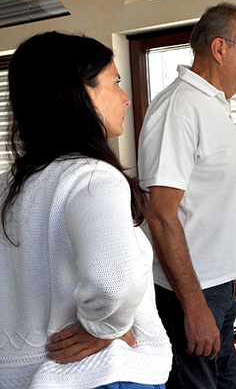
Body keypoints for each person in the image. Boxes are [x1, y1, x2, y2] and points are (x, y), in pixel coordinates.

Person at [0, 31, 171, 388]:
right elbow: (114, 282)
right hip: (102, 373)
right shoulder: (91, 177)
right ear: (81, 92)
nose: (125, 99)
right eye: (115, 83)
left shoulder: (8, 185)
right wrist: (104, 327)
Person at [137, 2, 236, 388]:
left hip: (218, 284)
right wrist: (194, 304)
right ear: (220, 48)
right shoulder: (179, 108)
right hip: (192, 294)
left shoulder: (213, 105)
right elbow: (160, 214)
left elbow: (210, 200)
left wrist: (229, 271)